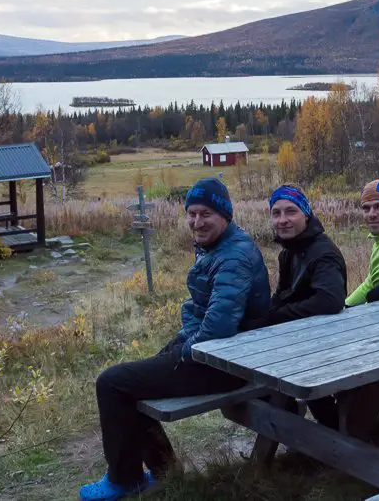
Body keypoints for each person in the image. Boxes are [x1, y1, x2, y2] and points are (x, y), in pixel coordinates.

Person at [79, 178, 270, 501]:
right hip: (218, 353)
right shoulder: (219, 247)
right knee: (130, 381)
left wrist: (183, 348)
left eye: (205, 213)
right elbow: (203, 311)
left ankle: (126, 479)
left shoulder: (234, 256)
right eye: (192, 214)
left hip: (226, 363)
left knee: (112, 383)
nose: (197, 222)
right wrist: (183, 339)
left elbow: (219, 327)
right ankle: (164, 470)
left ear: (225, 214)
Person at [241, 184, 348, 428]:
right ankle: (291, 420)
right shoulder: (289, 252)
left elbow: (330, 300)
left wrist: (275, 318)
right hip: (302, 342)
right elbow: (284, 295)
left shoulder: (322, 252)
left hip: (327, 344)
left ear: (306, 214)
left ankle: (326, 435)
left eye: (291, 212)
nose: (283, 220)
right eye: (276, 213)